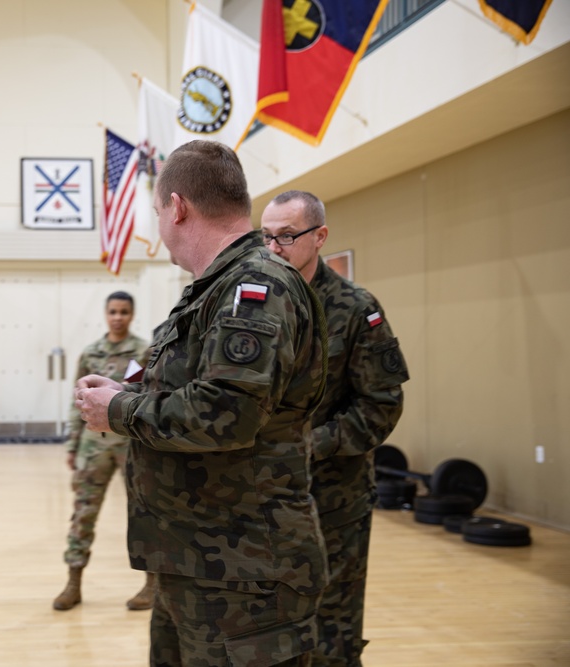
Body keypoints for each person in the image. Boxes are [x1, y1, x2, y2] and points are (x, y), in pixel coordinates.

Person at [75, 140, 329, 667]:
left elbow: (227, 413)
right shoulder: (211, 289)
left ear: (178, 207)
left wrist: (118, 413)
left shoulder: (255, 286)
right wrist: (131, 395)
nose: (159, 224)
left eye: (157, 212)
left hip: (245, 573)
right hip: (198, 558)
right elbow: (206, 391)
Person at [261, 190, 409, 667]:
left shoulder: (356, 308)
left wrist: (310, 446)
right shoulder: (256, 302)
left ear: (319, 236)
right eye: (266, 237)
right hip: (263, 497)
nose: (273, 248)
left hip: (333, 498)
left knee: (333, 625)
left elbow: (381, 405)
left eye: (286, 236)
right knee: (270, 621)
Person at [53, 291, 152, 612]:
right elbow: (78, 400)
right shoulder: (91, 353)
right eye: (113, 311)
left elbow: (142, 394)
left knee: (143, 513)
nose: (118, 317)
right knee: (83, 512)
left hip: (130, 445)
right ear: (106, 314)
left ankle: (152, 583)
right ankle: (73, 582)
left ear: (131, 315)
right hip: (93, 446)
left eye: (124, 312)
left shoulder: (140, 353)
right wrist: (73, 444)